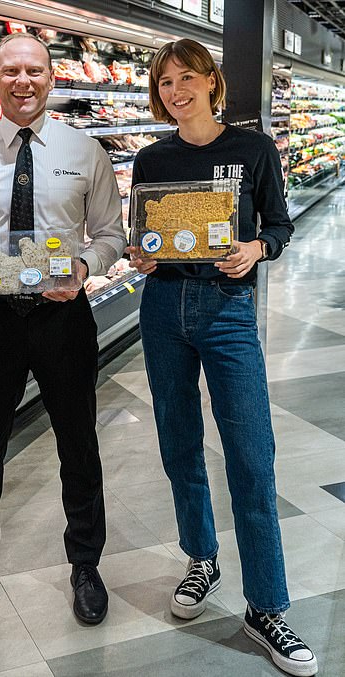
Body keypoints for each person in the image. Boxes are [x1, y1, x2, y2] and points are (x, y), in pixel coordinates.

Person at [128, 39, 317, 677]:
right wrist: (143, 254)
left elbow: (281, 225)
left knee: (250, 451)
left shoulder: (253, 148)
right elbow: (146, 233)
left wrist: (258, 247)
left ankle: (267, 607)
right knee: (179, 444)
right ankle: (201, 558)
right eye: (165, 83)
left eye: (187, 79)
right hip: (163, 306)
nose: (176, 92)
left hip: (227, 309)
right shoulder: (152, 158)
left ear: (212, 81)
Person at [0, 33, 125, 625]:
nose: (24, 81)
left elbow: (111, 235)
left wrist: (82, 267)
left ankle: (86, 564)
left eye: (35, 71)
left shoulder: (86, 150)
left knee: (78, 442)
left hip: (62, 316)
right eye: (11, 71)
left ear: (52, 79)